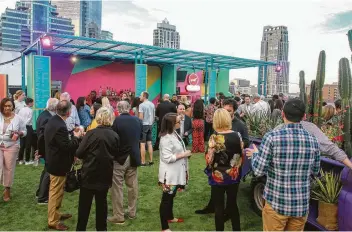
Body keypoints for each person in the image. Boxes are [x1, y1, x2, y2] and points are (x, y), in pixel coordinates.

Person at [246, 99, 320, 231]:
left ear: (282, 114)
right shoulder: (313, 139)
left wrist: (255, 154)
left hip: (276, 203)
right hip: (300, 204)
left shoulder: (272, 137)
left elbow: (258, 170)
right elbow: (315, 170)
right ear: (304, 116)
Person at [195, 99, 249, 216]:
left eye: (229, 110)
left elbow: (246, 141)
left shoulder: (240, 125)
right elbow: (213, 143)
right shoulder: (219, 123)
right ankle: (212, 207)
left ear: (234, 110)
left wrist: (233, 146)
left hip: (232, 166)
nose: (226, 113)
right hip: (218, 164)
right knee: (216, 190)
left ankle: (228, 213)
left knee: (231, 195)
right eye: (224, 110)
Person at [76, 107, 119, 231]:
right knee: (102, 205)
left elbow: (79, 152)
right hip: (105, 174)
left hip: (89, 173)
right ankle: (101, 229)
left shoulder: (91, 133)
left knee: (84, 206)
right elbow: (116, 154)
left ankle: (81, 229)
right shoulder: (114, 135)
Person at [45, 100, 82, 231]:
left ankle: (56, 214)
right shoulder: (59, 125)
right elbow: (66, 146)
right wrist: (76, 137)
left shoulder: (54, 120)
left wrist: (72, 132)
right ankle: (53, 221)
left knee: (58, 191)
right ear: (69, 111)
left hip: (55, 161)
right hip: (58, 163)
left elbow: (60, 140)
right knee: (55, 192)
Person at [205, 109, 243, 231]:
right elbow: (240, 154)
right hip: (234, 174)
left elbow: (209, 160)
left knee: (219, 207)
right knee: (233, 205)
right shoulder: (237, 135)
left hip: (218, 176)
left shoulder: (214, 137)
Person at [109, 101, 142, 225]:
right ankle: (132, 212)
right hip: (133, 156)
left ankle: (119, 215)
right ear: (129, 108)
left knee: (117, 187)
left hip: (120, 158)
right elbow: (139, 137)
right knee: (132, 186)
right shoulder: (137, 120)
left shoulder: (116, 121)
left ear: (118, 109)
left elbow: (114, 139)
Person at [158, 113, 191, 231]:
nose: (180, 123)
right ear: (171, 124)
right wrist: (184, 154)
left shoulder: (174, 134)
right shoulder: (165, 138)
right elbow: (167, 158)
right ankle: (164, 227)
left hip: (176, 173)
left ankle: (170, 217)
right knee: (166, 199)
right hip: (169, 175)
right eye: (178, 122)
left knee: (172, 197)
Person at [0, 98, 26, 202]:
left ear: (12, 107)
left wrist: (20, 133)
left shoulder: (18, 118)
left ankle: (7, 189)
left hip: (12, 145)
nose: (7, 108)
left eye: (9, 106)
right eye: (5, 106)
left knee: (9, 168)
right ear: (2, 106)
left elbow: (25, 131)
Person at [35, 98, 59, 205]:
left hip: (45, 148)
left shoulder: (43, 114)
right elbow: (42, 136)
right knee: (48, 172)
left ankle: (40, 193)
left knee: (46, 171)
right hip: (47, 149)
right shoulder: (48, 118)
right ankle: (42, 196)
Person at [138, 91, 155, 166]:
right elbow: (154, 116)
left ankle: (143, 162)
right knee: (149, 143)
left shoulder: (141, 105)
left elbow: (141, 117)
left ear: (144, 96)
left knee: (142, 144)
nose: (139, 97)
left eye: (140, 95)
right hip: (150, 125)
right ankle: (151, 160)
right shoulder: (152, 104)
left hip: (143, 125)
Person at [18, 97, 34, 165]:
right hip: (28, 127)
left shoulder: (21, 110)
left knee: (22, 144)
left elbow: (19, 118)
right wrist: (24, 125)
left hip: (21, 127)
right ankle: (27, 160)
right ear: (29, 103)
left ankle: (20, 160)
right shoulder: (30, 110)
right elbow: (29, 120)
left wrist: (21, 126)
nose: (33, 103)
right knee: (28, 144)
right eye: (32, 102)